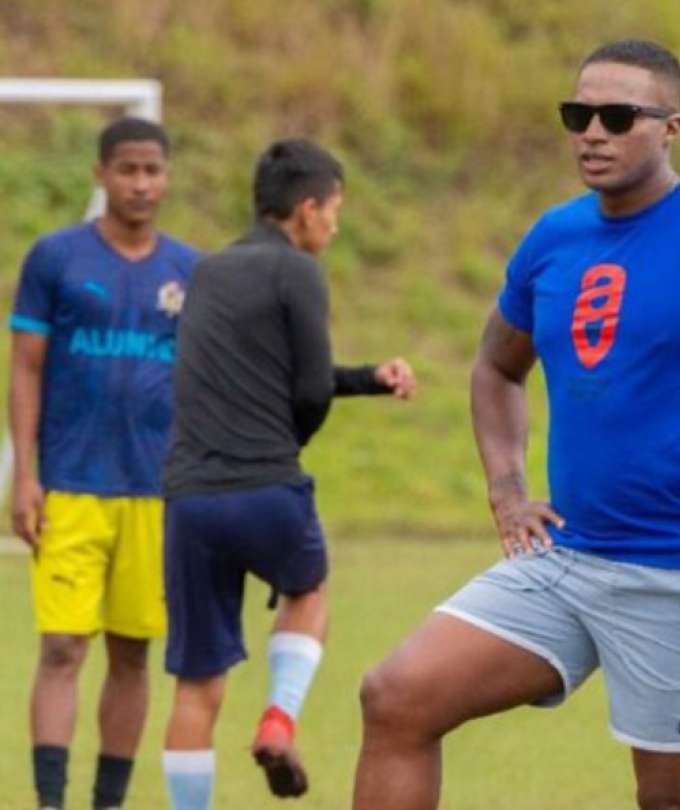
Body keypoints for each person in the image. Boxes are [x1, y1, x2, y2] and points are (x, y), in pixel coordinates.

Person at [352, 39, 680, 810]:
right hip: (569, 558)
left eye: (618, 116)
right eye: (578, 115)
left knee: (673, 802)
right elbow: (496, 367)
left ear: (671, 127)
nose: (594, 132)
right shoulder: (555, 236)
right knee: (397, 697)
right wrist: (508, 489)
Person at [158, 138, 417, 809]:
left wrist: (368, 379)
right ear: (306, 210)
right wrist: (281, 450)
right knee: (310, 592)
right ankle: (278, 719)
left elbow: (262, 380)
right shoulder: (299, 273)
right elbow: (305, 392)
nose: (334, 224)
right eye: (333, 211)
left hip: (189, 497)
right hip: (266, 486)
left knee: (196, 684)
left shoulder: (208, 272)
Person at [8, 116, 201, 810]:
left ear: (167, 176)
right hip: (71, 484)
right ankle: (51, 802)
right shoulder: (56, 260)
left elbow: (206, 383)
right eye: (127, 169)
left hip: (156, 491)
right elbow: (25, 368)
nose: (141, 183)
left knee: (131, 652)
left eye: (152, 170)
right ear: (101, 174)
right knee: (62, 646)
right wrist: (23, 475)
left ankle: (106, 804)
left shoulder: (189, 270)